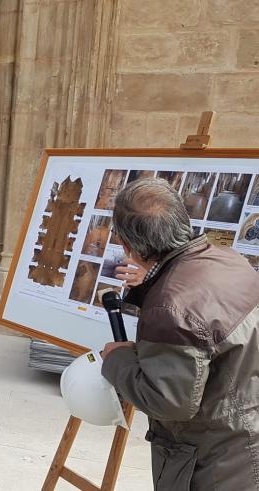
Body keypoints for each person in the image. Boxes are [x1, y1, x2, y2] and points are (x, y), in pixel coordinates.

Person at [101, 178, 259, 490]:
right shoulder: (227, 258)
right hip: (245, 426)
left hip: (217, 460)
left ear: (126, 245)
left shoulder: (170, 307)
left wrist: (117, 359)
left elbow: (170, 401)